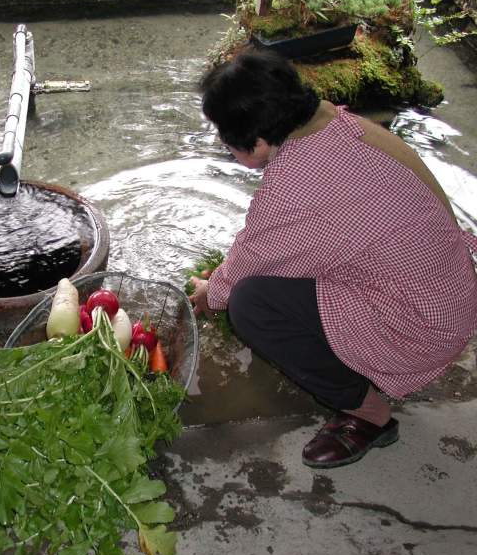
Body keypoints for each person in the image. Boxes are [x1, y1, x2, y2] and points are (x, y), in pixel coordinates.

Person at [188, 47, 477, 469]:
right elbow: (303, 242)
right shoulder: (334, 122)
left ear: (259, 141)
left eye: (226, 137)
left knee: (249, 305)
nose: (223, 144)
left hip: (422, 324)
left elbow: (248, 262)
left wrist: (210, 292)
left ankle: (368, 414)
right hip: (448, 291)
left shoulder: (296, 183)